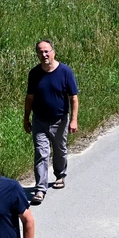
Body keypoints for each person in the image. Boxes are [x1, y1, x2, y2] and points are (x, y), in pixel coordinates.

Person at [24, 40, 79, 204]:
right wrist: (26, 118)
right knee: (41, 153)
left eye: (47, 51)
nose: (44, 55)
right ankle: (40, 189)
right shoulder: (34, 73)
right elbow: (29, 98)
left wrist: (74, 120)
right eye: (40, 52)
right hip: (40, 120)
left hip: (60, 120)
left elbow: (73, 98)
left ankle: (60, 175)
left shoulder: (65, 71)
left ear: (53, 52)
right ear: (37, 54)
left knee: (60, 150)